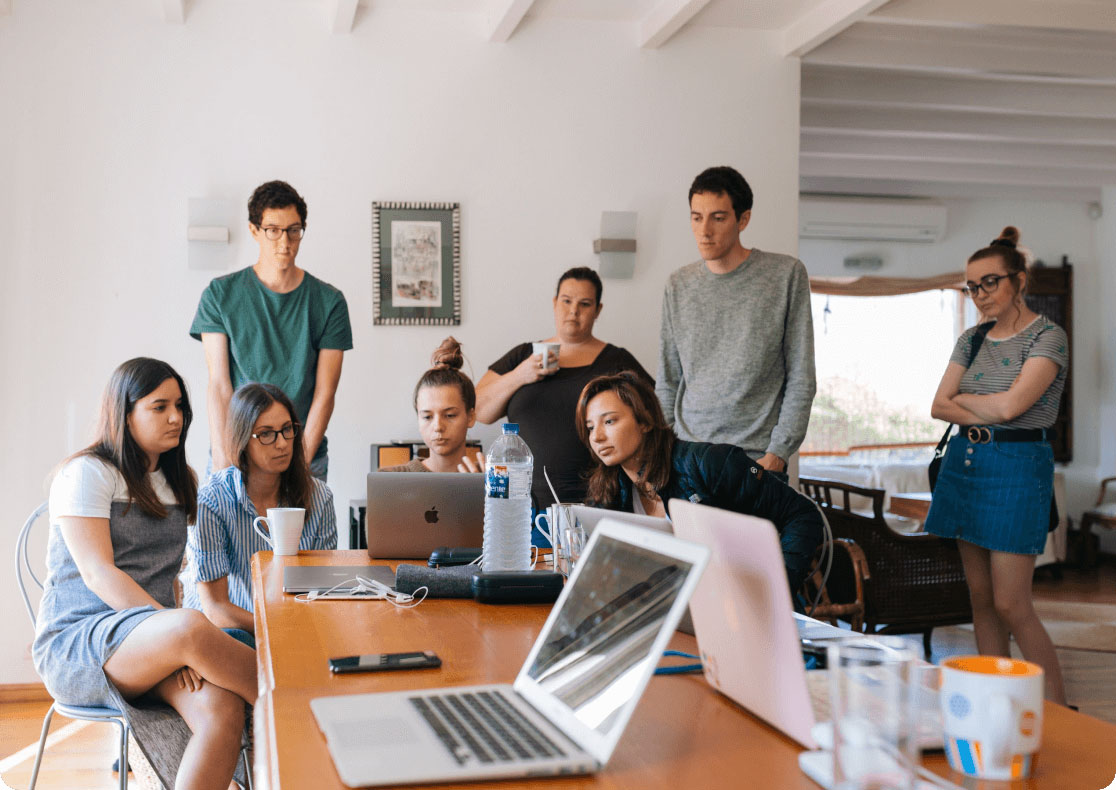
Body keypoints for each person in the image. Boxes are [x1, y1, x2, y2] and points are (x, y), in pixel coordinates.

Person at [32, 358, 256, 790]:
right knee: (194, 627)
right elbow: (99, 574)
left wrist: (174, 638)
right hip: (79, 643)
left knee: (222, 708)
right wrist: (174, 632)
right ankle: (300, 701)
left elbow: (169, 578)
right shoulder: (87, 474)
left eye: (180, 406)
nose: (176, 417)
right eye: (159, 407)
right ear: (125, 411)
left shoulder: (179, 480)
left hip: (153, 641)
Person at [926, 226, 1068, 704]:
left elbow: (1013, 410)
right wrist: (983, 402)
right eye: (971, 286)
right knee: (981, 602)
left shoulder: (1049, 337)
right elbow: (938, 406)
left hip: (1017, 468)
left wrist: (968, 398)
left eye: (991, 282)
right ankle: (996, 704)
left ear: (1019, 281)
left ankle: (1057, 712)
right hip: (966, 463)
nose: (979, 294)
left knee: (1012, 603)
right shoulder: (971, 338)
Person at [576, 371, 823, 593]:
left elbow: (802, 515)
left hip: (740, 605)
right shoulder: (609, 491)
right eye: (589, 427)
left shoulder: (709, 463)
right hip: (677, 609)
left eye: (609, 421)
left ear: (645, 421)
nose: (596, 437)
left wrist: (775, 588)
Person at [657, 166, 815, 479]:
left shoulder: (785, 275)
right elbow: (668, 379)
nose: (704, 231)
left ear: (743, 220)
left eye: (718, 217)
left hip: (756, 462)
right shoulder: (678, 284)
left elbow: (801, 376)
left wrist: (778, 453)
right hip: (689, 458)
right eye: (696, 217)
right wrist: (665, 448)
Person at [190, 179, 353, 481]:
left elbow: (325, 394)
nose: (284, 242)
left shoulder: (329, 302)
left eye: (293, 230)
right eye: (273, 230)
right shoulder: (220, 295)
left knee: (304, 531)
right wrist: (225, 461)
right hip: (238, 453)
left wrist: (299, 467)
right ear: (254, 230)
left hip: (303, 454)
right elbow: (219, 386)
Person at [476, 267, 652, 510]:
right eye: (566, 301)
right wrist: (520, 375)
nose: (573, 311)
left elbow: (653, 419)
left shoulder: (616, 361)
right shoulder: (523, 355)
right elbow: (479, 410)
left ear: (598, 310)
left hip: (600, 502)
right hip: (521, 508)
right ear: (554, 303)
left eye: (585, 304)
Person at [184, 383, 337, 647]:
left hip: (296, 627)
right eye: (266, 434)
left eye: (287, 430)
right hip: (228, 631)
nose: (281, 444)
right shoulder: (212, 500)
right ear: (242, 440)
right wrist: (277, 628)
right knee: (239, 639)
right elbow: (216, 609)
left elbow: (322, 591)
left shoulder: (320, 497)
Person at [381, 336, 484, 473]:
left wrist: (485, 493)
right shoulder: (389, 480)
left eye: (449, 415)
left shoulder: (491, 480)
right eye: (427, 417)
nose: (438, 427)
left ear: (470, 417)